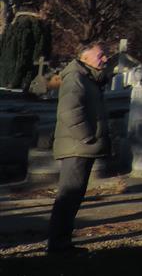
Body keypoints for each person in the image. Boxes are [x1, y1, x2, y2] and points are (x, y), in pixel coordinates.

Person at [47, 39, 111, 254]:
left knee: (73, 196)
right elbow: (70, 111)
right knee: (68, 196)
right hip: (76, 147)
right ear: (84, 57)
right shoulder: (76, 78)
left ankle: (62, 242)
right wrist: (87, 138)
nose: (105, 58)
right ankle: (58, 244)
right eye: (100, 54)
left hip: (80, 146)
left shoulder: (89, 78)